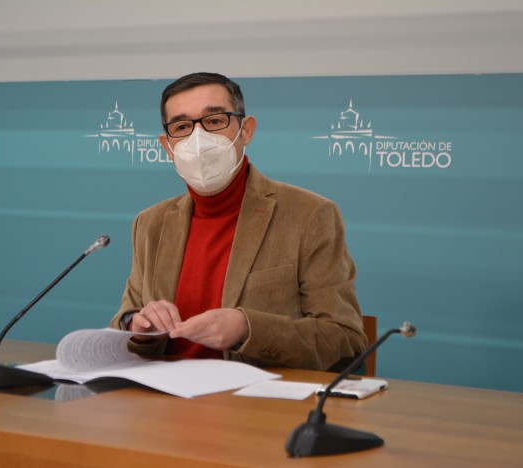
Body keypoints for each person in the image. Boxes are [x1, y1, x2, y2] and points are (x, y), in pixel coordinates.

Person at [109, 72, 366, 371]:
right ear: (168, 147)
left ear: (246, 131)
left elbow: (346, 341)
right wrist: (137, 328)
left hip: (254, 408)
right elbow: (126, 319)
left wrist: (248, 328)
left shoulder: (309, 215)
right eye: (182, 127)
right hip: (165, 405)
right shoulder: (150, 223)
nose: (198, 138)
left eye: (215, 121)